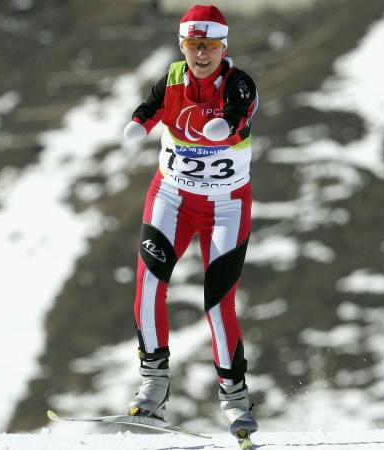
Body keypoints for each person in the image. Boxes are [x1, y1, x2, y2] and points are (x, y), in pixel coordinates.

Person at [121, 4, 259, 441]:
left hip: (226, 207)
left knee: (218, 303)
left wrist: (226, 124)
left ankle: (235, 400)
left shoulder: (238, 83)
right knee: (147, 285)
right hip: (172, 197)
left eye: (211, 46)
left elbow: (240, 114)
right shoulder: (175, 76)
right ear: (183, 45)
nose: (202, 54)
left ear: (224, 46)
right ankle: (154, 382)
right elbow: (152, 105)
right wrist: (138, 124)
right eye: (194, 45)